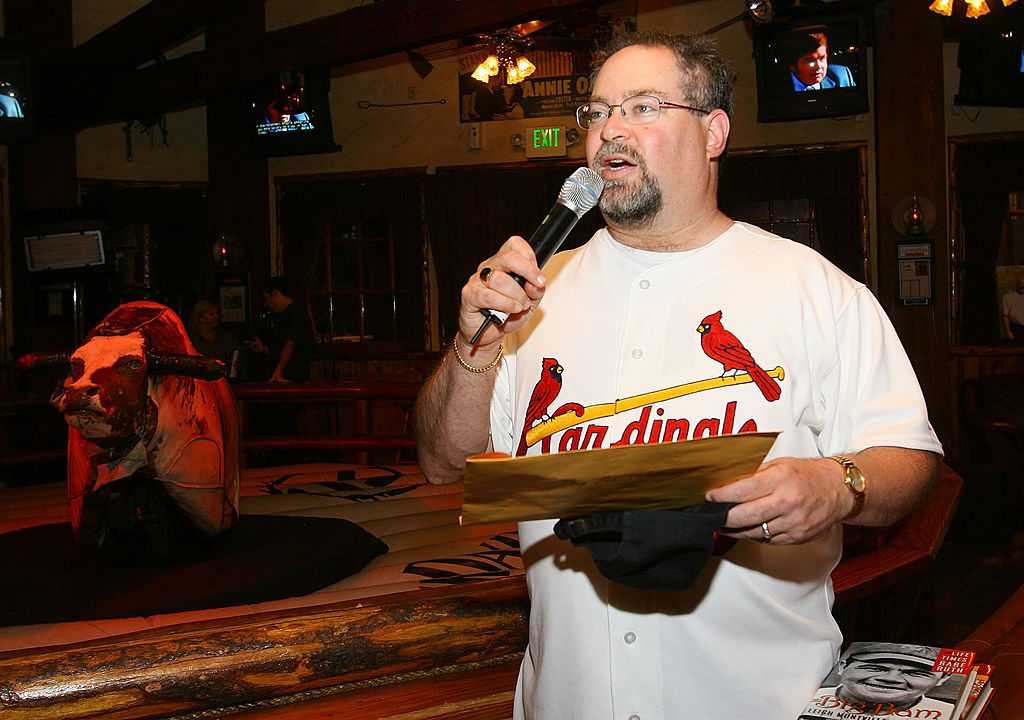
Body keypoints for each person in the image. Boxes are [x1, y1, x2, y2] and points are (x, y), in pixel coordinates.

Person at [413, 30, 942, 720]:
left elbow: (911, 461)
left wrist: (838, 484)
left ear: (713, 132)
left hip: (758, 702)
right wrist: (472, 344)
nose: (611, 131)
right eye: (598, 112)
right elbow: (442, 463)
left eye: (643, 106)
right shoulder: (532, 295)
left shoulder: (815, 290)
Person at [804, 644, 955, 717]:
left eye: (916, 673)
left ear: (942, 678)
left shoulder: (951, 714)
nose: (890, 679)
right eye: (874, 668)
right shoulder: (801, 700)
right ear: (843, 666)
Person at [247, 277, 315, 382]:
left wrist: (279, 371)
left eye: (266, 298)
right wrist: (264, 349)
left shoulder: (296, 314)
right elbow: (281, 347)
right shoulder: (284, 316)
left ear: (275, 294)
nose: (266, 304)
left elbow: (290, 344)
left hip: (293, 378)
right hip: (286, 376)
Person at [186, 299, 244, 379]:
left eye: (217, 314)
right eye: (211, 314)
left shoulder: (227, 338)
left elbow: (240, 361)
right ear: (200, 318)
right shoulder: (191, 340)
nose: (216, 317)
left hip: (225, 381)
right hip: (201, 382)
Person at [786, 31, 856, 92]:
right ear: (792, 66)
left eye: (822, 58)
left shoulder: (842, 76)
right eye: (810, 61)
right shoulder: (780, 87)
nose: (819, 67)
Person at [1001, 277, 1024, 341]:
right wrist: (1008, 331)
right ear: (1017, 285)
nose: (1022, 286)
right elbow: (1005, 316)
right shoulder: (1008, 297)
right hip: (1017, 329)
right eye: (1021, 283)